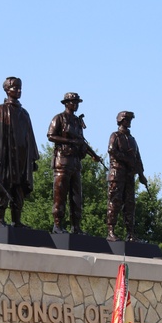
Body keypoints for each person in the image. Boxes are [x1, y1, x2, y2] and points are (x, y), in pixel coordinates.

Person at [0, 77, 39, 227]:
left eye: (20, 88)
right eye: (15, 88)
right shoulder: (0, 109)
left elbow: (30, 137)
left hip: (21, 158)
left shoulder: (24, 114)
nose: (18, 91)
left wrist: (32, 159)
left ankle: (16, 220)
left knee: (19, 188)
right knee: (3, 186)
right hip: (5, 157)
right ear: (7, 90)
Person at [47, 92, 101, 234]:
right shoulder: (59, 118)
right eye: (73, 102)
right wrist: (70, 141)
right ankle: (58, 225)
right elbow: (51, 136)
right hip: (62, 162)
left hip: (75, 163)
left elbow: (82, 142)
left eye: (77, 102)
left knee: (76, 197)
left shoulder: (77, 122)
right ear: (66, 103)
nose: (75, 105)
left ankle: (76, 227)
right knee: (60, 195)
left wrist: (93, 155)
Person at [106, 110, 148, 241]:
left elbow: (137, 158)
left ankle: (130, 233)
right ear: (120, 120)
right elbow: (112, 151)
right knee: (115, 202)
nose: (128, 122)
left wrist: (141, 174)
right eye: (126, 120)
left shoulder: (132, 139)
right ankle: (111, 231)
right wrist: (126, 159)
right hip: (117, 174)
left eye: (130, 120)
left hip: (129, 175)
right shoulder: (116, 136)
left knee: (130, 204)